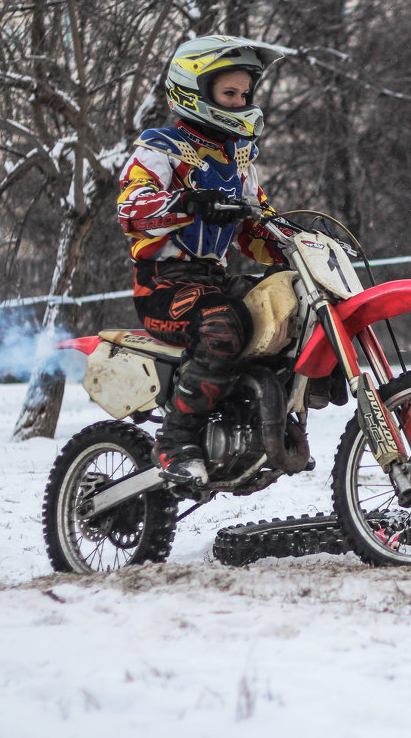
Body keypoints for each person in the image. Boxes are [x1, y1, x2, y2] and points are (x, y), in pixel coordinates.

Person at [116, 34, 288, 487]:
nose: (239, 101)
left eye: (244, 94)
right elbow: (130, 209)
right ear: (195, 89)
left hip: (212, 279)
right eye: (229, 93)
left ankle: (246, 419)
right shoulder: (162, 147)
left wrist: (297, 240)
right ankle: (176, 442)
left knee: (281, 309)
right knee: (222, 327)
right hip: (164, 285)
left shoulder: (239, 159)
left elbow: (259, 228)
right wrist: (187, 202)